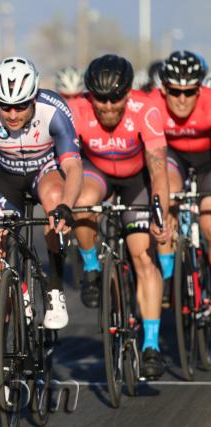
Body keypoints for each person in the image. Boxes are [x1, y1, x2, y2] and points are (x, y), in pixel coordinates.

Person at [0, 56, 83, 404]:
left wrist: (66, 208)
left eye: (20, 106)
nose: (13, 115)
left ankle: (56, 290)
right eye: (5, 107)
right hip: (1, 182)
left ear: (34, 98)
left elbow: (73, 166)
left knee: (54, 201)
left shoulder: (54, 109)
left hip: (46, 174)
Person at [70, 54, 172, 379]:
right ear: (90, 95)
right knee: (82, 201)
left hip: (134, 181)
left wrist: (160, 214)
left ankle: (151, 344)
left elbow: (158, 172)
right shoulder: (76, 111)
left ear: (128, 93)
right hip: (95, 173)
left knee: (142, 256)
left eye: (115, 98)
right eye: (100, 98)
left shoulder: (146, 110)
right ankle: (90, 265)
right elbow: (67, 164)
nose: (108, 106)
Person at [147, 51, 211, 305]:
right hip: (173, 157)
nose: (182, 100)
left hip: (207, 160)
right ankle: (169, 275)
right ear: (164, 90)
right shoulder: (152, 103)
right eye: (175, 92)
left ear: (199, 89)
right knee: (168, 193)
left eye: (189, 92)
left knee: (208, 223)